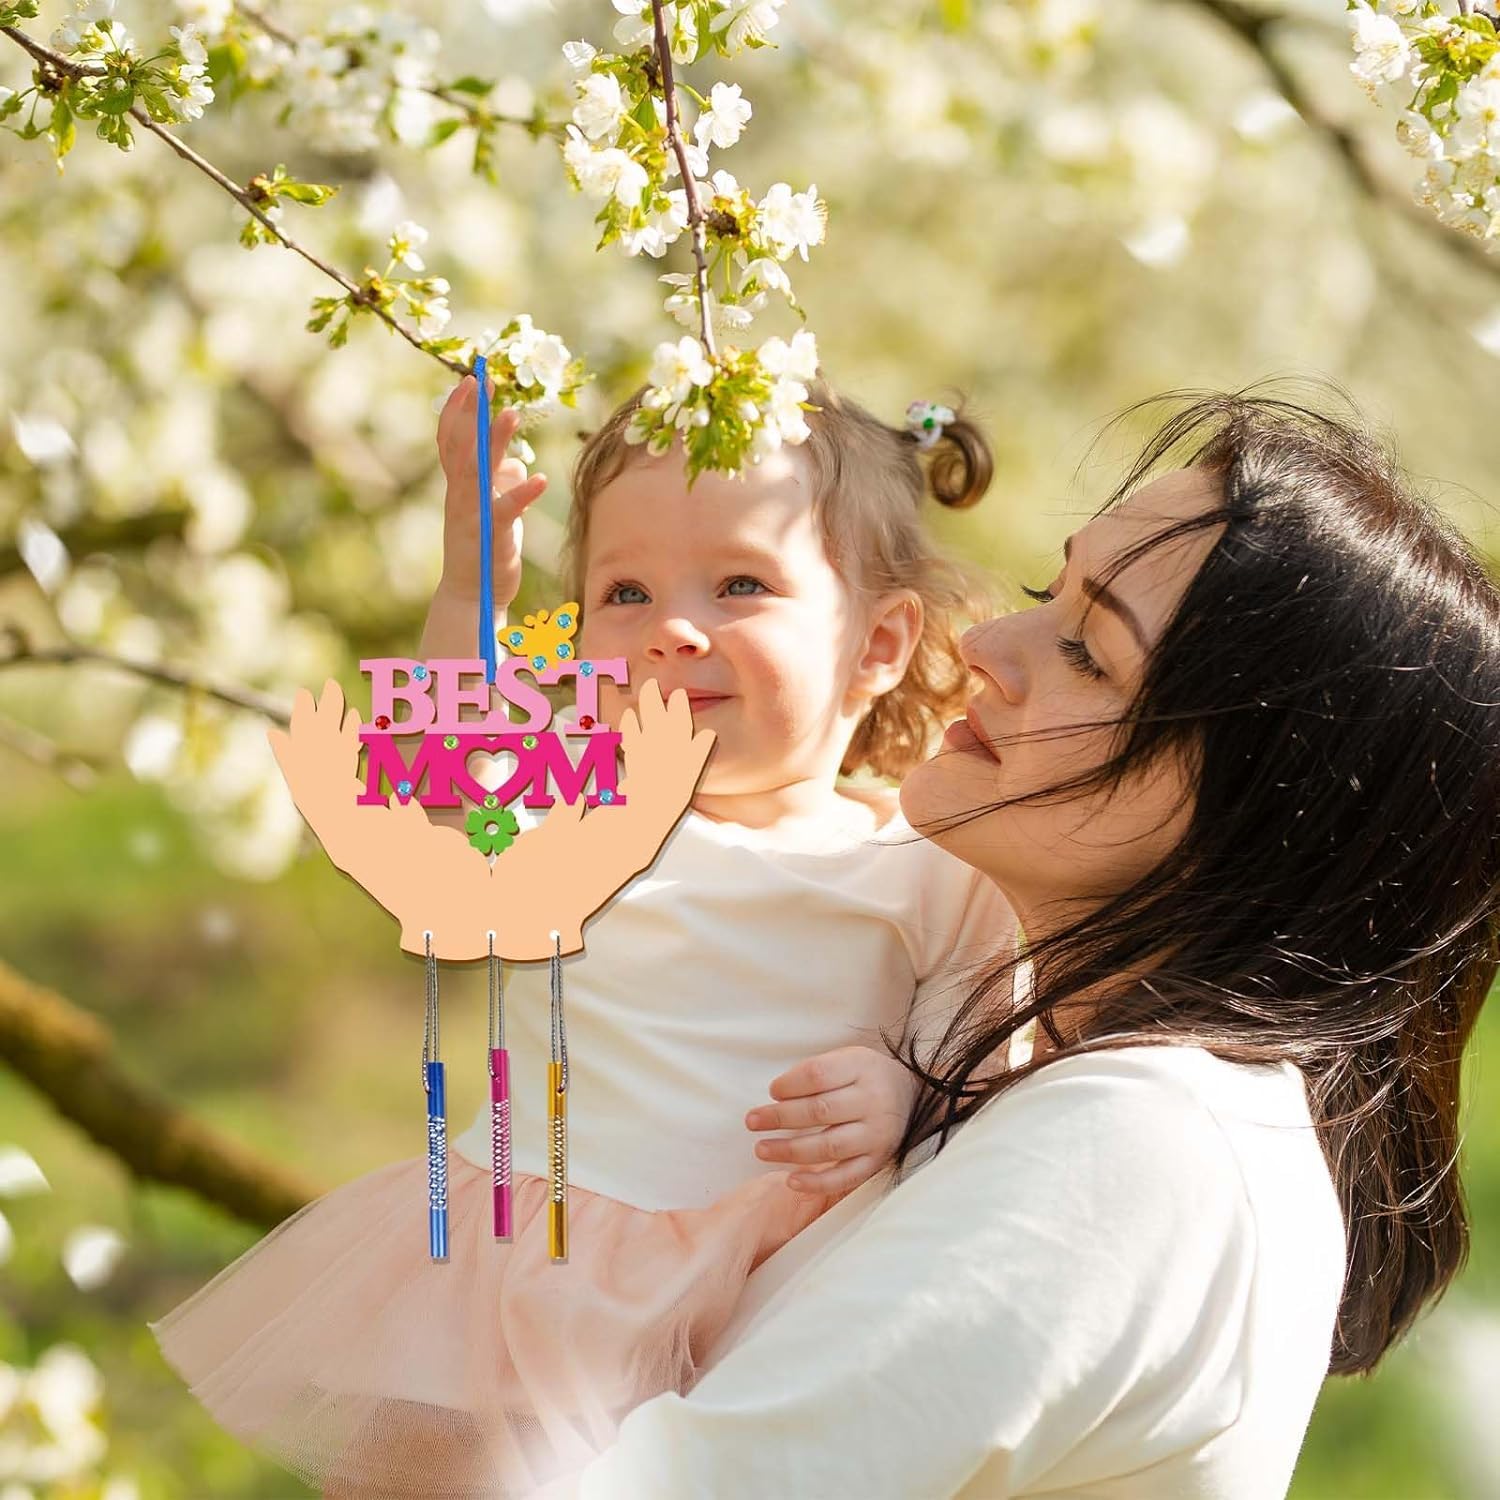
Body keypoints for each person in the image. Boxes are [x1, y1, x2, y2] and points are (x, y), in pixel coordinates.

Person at [537, 389, 1500, 1499]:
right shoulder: (1055, 1086)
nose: (987, 646)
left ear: (1259, 804)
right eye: (1052, 592)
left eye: (1090, 651)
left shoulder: (1141, 1147)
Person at [148, 375, 1017, 1496]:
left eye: (741, 583)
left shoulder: (928, 859)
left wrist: (904, 1094)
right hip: (534, 1274)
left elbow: (989, 1068)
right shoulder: (582, 786)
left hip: (775, 1290)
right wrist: (471, 581)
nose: (672, 631)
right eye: (624, 593)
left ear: (880, 643)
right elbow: (443, 767)